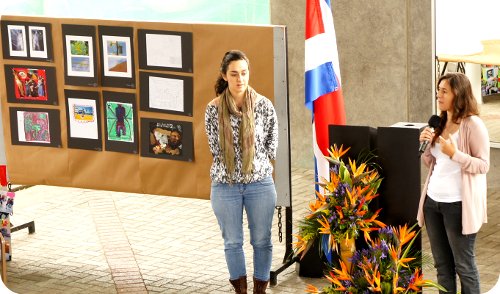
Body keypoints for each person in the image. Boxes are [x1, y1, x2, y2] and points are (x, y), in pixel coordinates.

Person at [204, 50, 278, 294]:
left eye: (244, 73)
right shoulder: (213, 109)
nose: (240, 79)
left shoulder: (264, 106)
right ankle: (241, 291)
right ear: (225, 76)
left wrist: (254, 164)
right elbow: (215, 148)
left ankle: (260, 290)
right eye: (234, 74)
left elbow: (271, 143)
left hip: (260, 184)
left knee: (262, 240)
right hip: (225, 186)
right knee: (233, 242)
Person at [417, 72, 490, 294]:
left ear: (458, 94)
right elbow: (431, 163)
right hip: (432, 203)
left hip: (458, 206)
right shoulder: (439, 122)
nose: (438, 95)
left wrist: (454, 153)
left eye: (444, 91)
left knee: (464, 267)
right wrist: (427, 147)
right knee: (442, 267)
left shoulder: (472, 125)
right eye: (438, 90)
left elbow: (483, 165)